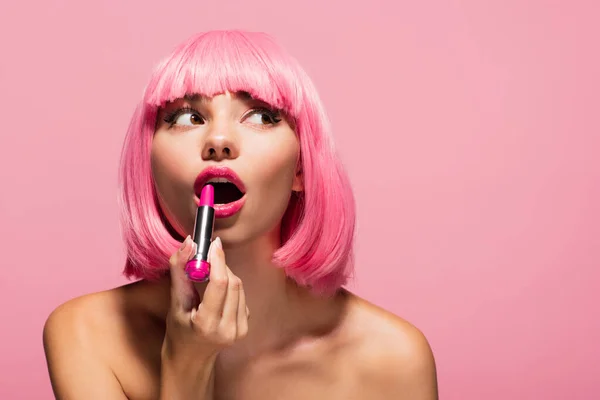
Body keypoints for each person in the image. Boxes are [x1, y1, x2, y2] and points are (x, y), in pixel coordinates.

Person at [43, 30, 438, 399]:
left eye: (262, 116)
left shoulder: (393, 359)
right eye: (185, 117)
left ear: (301, 168)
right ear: (149, 163)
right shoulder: (86, 334)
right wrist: (187, 365)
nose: (218, 141)